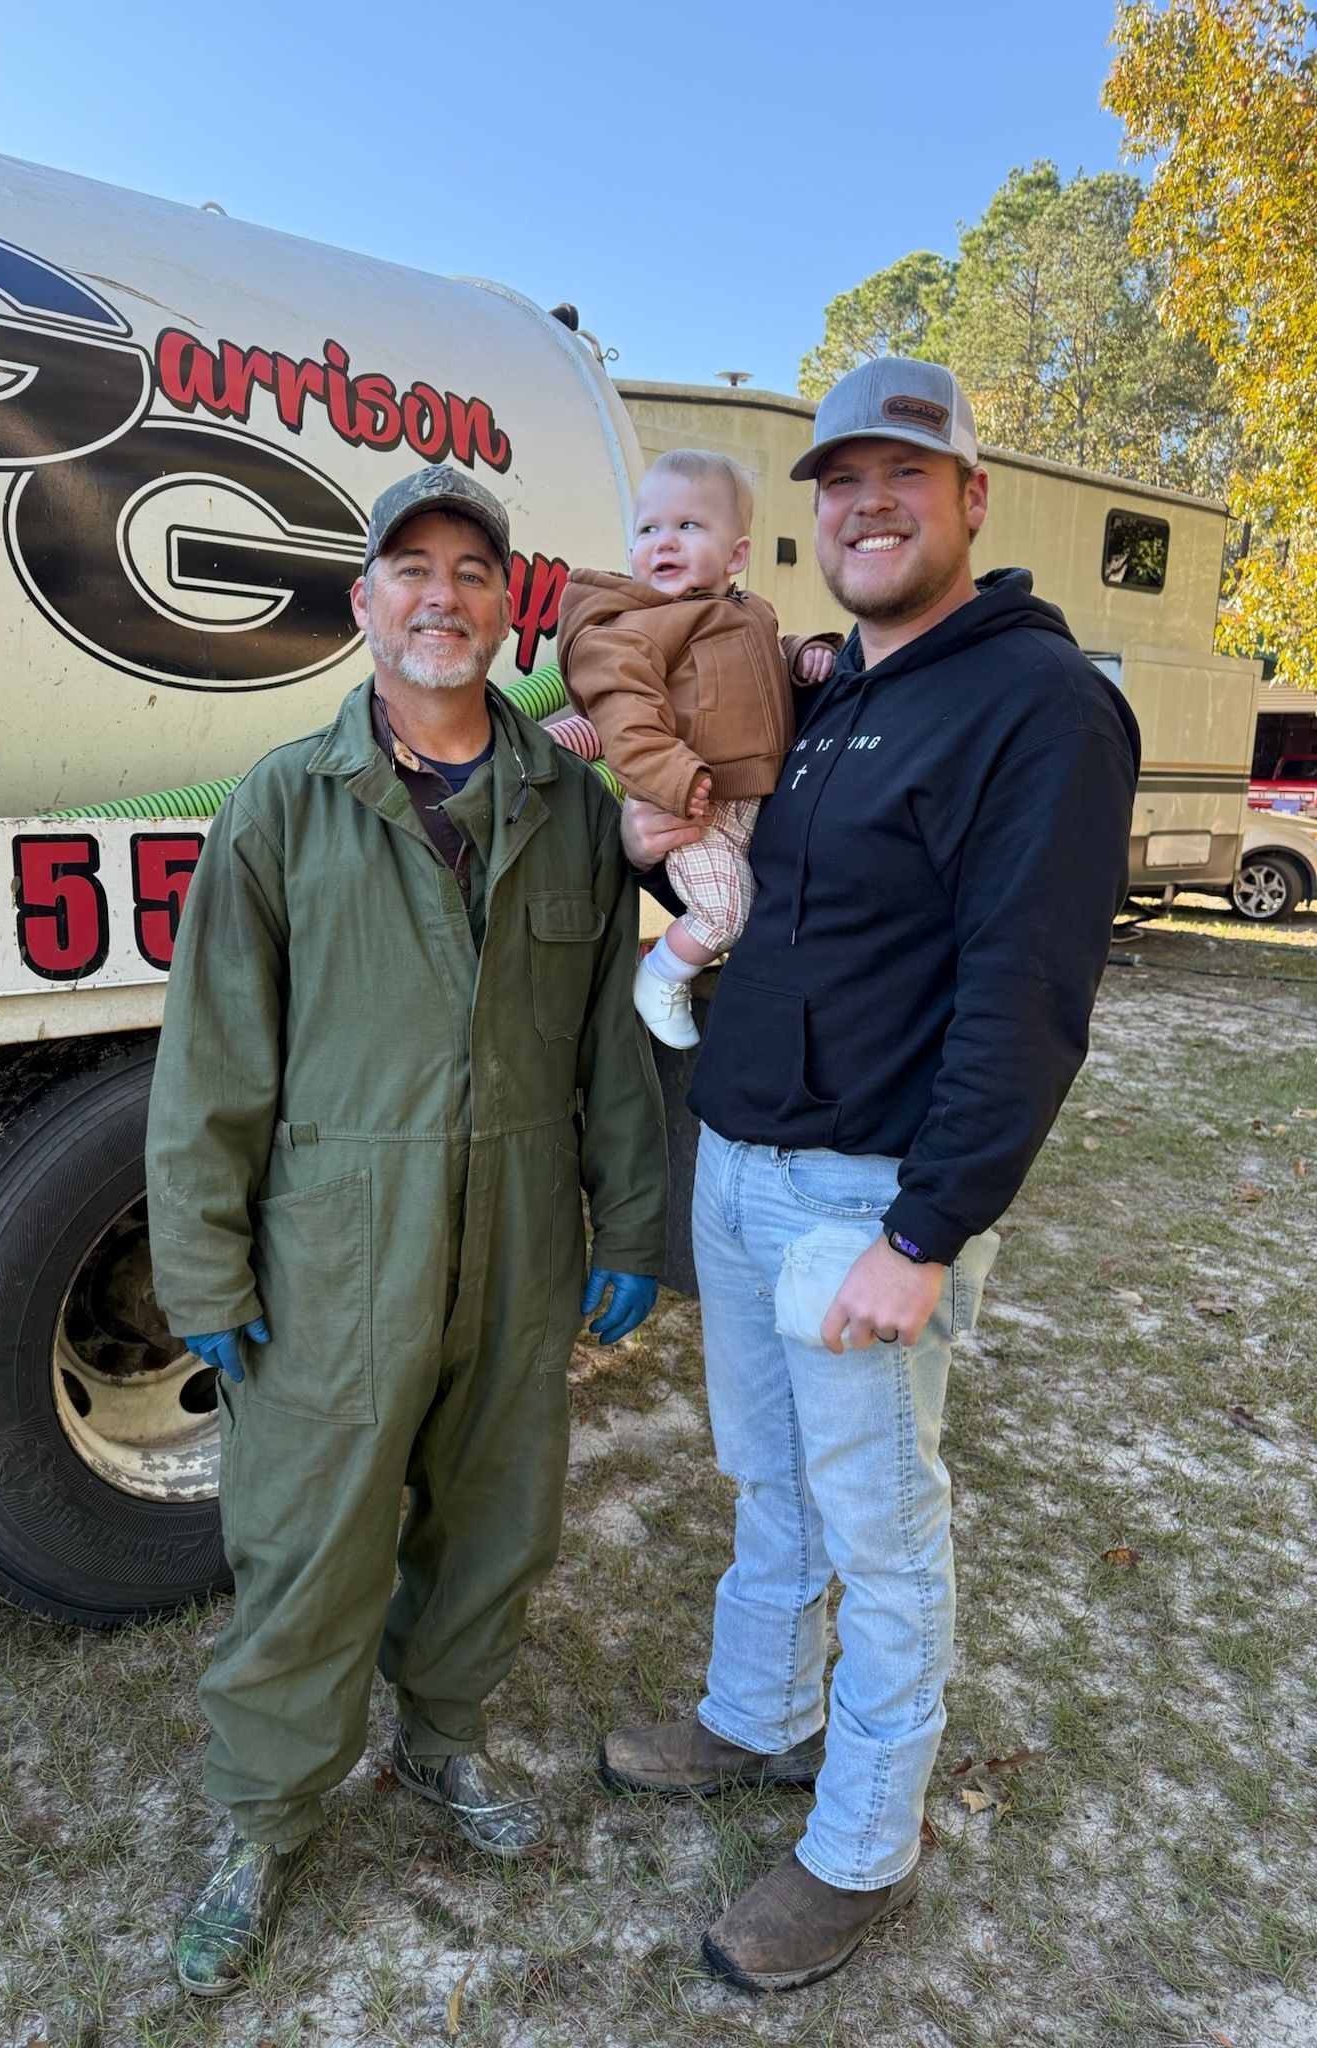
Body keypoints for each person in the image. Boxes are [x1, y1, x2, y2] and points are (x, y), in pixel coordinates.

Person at [601, 360, 1140, 1993]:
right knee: (769, 1484)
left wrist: (925, 1232)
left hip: (864, 1200)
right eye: (841, 480)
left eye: (905, 474)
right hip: (742, 1160)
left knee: (886, 1533)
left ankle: (862, 1844)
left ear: (972, 497)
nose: (868, 504)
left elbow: (1025, 992)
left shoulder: (1042, 704)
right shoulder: (828, 693)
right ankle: (758, 1714)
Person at [145, 464, 667, 1997]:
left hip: (520, 1231)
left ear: (510, 610)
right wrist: (204, 1265)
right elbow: (211, 1063)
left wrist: (632, 1220)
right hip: (335, 1243)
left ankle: (441, 1743)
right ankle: (265, 1818)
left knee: (494, 1518)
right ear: (363, 601)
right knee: (309, 1539)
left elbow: (613, 1044)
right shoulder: (282, 804)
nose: (443, 595)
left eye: (473, 572)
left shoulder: (570, 808)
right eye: (412, 569)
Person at [556, 449, 839, 1050]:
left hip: (753, 802)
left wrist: (801, 655)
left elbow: (763, 664)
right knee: (727, 911)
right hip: (696, 804)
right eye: (648, 529)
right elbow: (626, 717)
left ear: (736, 556)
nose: (664, 541)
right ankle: (660, 976)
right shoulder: (634, 629)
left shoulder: (749, 611)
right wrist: (674, 778)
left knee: (763, 904)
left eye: (687, 525)